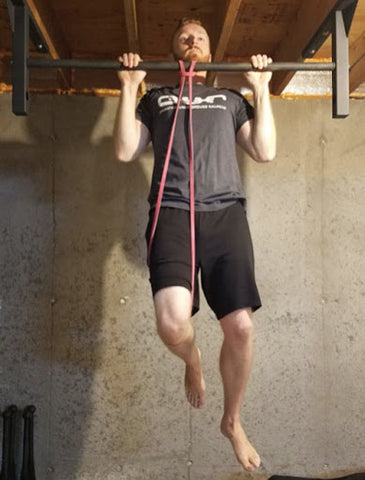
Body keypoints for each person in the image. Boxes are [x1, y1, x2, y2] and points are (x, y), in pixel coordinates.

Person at [113, 17, 276, 473]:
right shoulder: (156, 98)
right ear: (174, 52)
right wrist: (129, 87)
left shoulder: (229, 99)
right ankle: (193, 356)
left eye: (200, 37)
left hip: (225, 214)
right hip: (170, 209)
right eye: (184, 37)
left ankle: (232, 420)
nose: (192, 41)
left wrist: (261, 89)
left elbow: (264, 152)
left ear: (209, 52)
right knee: (171, 325)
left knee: (241, 328)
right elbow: (126, 151)